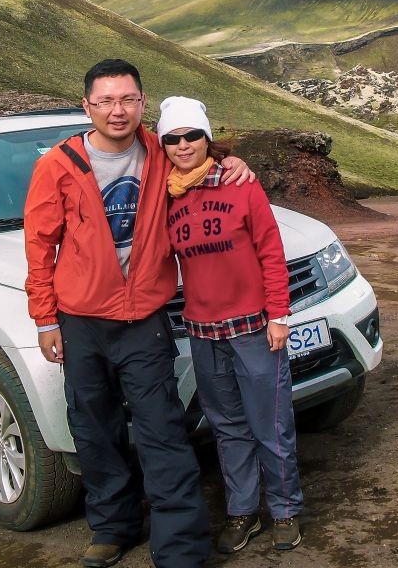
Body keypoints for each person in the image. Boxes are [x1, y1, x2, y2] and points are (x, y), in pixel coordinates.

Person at [23, 59, 254, 568]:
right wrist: (45, 319)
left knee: (162, 431)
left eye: (127, 99)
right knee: (94, 429)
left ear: (142, 103)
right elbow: (39, 246)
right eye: (105, 101)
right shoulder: (58, 165)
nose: (117, 110)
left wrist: (231, 162)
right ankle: (112, 527)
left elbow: (199, 154)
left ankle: (180, 550)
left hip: (144, 320)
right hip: (81, 321)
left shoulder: (159, 152)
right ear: (87, 106)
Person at [157, 96, 304, 554]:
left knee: (270, 423)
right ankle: (243, 511)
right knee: (228, 427)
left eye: (192, 135)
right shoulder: (164, 194)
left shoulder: (240, 183)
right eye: (173, 138)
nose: (183, 145)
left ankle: (285, 510)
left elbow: (271, 250)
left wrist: (279, 315)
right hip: (203, 332)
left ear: (207, 139)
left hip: (254, 329)